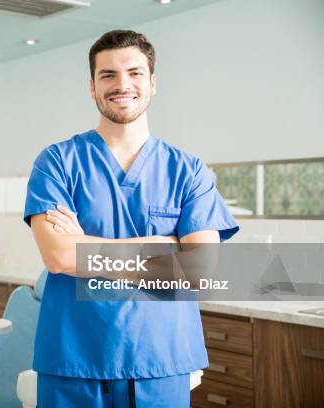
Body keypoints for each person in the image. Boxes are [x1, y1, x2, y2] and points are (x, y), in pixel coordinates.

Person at [23, 30, 239, 407]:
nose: (122, 84)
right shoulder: (57, 162)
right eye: (108, 75)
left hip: (161, 358)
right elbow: (58, 256)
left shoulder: (188, 171)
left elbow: (200, 269)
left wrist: (84, 247)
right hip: (75, 358)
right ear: (92, 87)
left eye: (135, 73)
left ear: (152, 83)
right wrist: (163, 248)